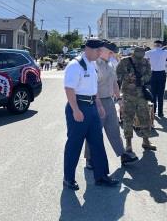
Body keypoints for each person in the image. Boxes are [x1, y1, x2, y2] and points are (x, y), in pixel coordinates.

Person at [63, 39, 119, 190]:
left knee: (97, 143)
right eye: (98, 51)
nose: (100, 53)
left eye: (101, 51)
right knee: (74, 144)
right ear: (88, 49)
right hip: (79, 106)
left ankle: (101, 176)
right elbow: (69, 89)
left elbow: (93, 88)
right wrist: (75, 109)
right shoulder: (75, 65)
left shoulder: (92, 64)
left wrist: (99, 105)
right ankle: (68, 178)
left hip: (92, 106)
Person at [84, 41, 138, 168]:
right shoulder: (94, 65)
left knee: (114, 128)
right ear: (101, 50)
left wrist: (119, 99)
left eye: (113, 52)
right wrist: (98, 104)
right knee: (95, 132)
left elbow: (114, 83)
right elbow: (93, 86)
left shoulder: (110, 64)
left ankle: (122, 154)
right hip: (96, 101)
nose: (113, 54)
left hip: (108, 100)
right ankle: (89, 158)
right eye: (110, 52)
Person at [117, 47, 157, 152]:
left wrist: (142, 79)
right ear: (133, 54)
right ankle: (128, 144)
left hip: (141, 95)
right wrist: (128, 78)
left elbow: (149, 74)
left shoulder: (146, 62)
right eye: (137, 57)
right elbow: (118, 74)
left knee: (145, 118)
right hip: (128, 94)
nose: (139, 60)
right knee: (128, 119)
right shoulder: (124, 61)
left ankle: (146, 141)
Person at [145, 40, 167, 117]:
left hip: (153, 73)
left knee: (153, 93)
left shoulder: (150, 52)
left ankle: (153, 111)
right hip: (161, 73)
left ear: (154, 45)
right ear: (161, 45)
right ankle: (160, 112)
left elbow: (143, 57)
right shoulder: (164, 52)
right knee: (161, 94)